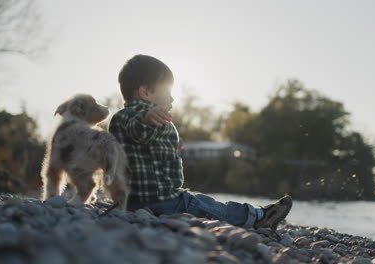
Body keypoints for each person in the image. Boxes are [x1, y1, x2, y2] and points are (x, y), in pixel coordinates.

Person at [108, 54, 292, 230]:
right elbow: (137, 129)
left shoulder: (131, 117)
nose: (172, 98)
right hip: (158, 200)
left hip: (142, 199)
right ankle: (258, 217)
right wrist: (145, 118)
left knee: (201, 201)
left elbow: (143, 143)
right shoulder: (133, 115)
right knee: (209, 207)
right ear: (145, 91)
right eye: (168, 91)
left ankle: (257, 214)